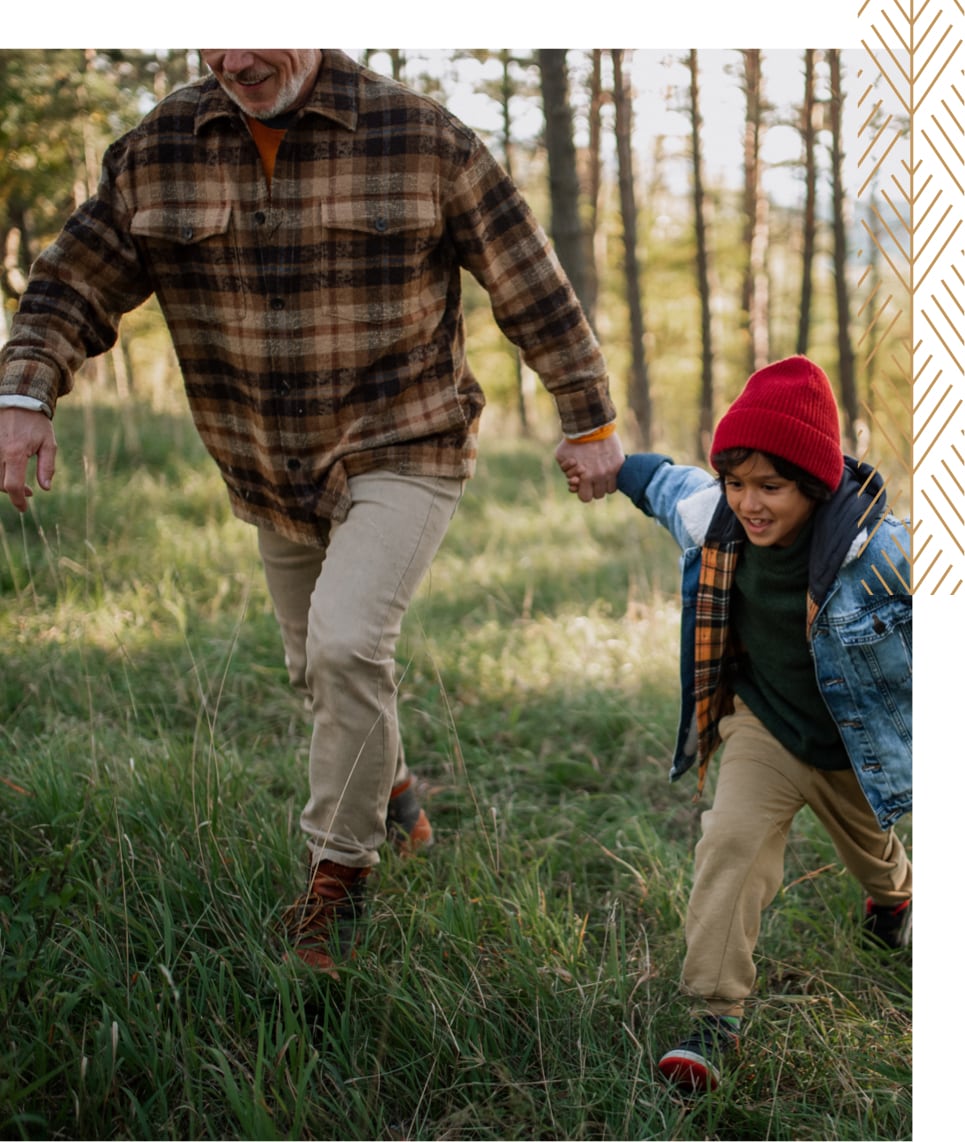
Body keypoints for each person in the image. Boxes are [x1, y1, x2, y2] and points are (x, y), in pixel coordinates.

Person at [0, 49, 624, 973]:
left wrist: (589, 418)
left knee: (344, 643)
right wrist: (23, 396)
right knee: (315, 666)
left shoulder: (421, 137)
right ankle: (398, 795)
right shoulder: (162, 146)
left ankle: (337, 885)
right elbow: (72, 282)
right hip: (265, 464)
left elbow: (527, 280)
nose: (240, 57)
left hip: (405, 441)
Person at [560, 354, 911, 1092]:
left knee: (876, 856)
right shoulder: (714, 514)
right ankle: (714, 1017)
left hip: (852, 749)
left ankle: (894, 899)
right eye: (736, 481)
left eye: (770, 487)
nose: (748, 503)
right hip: (764, 727)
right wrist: (608, 463)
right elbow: (660, 484)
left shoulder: (882, 555)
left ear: (814, 487)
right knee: (730, 839)